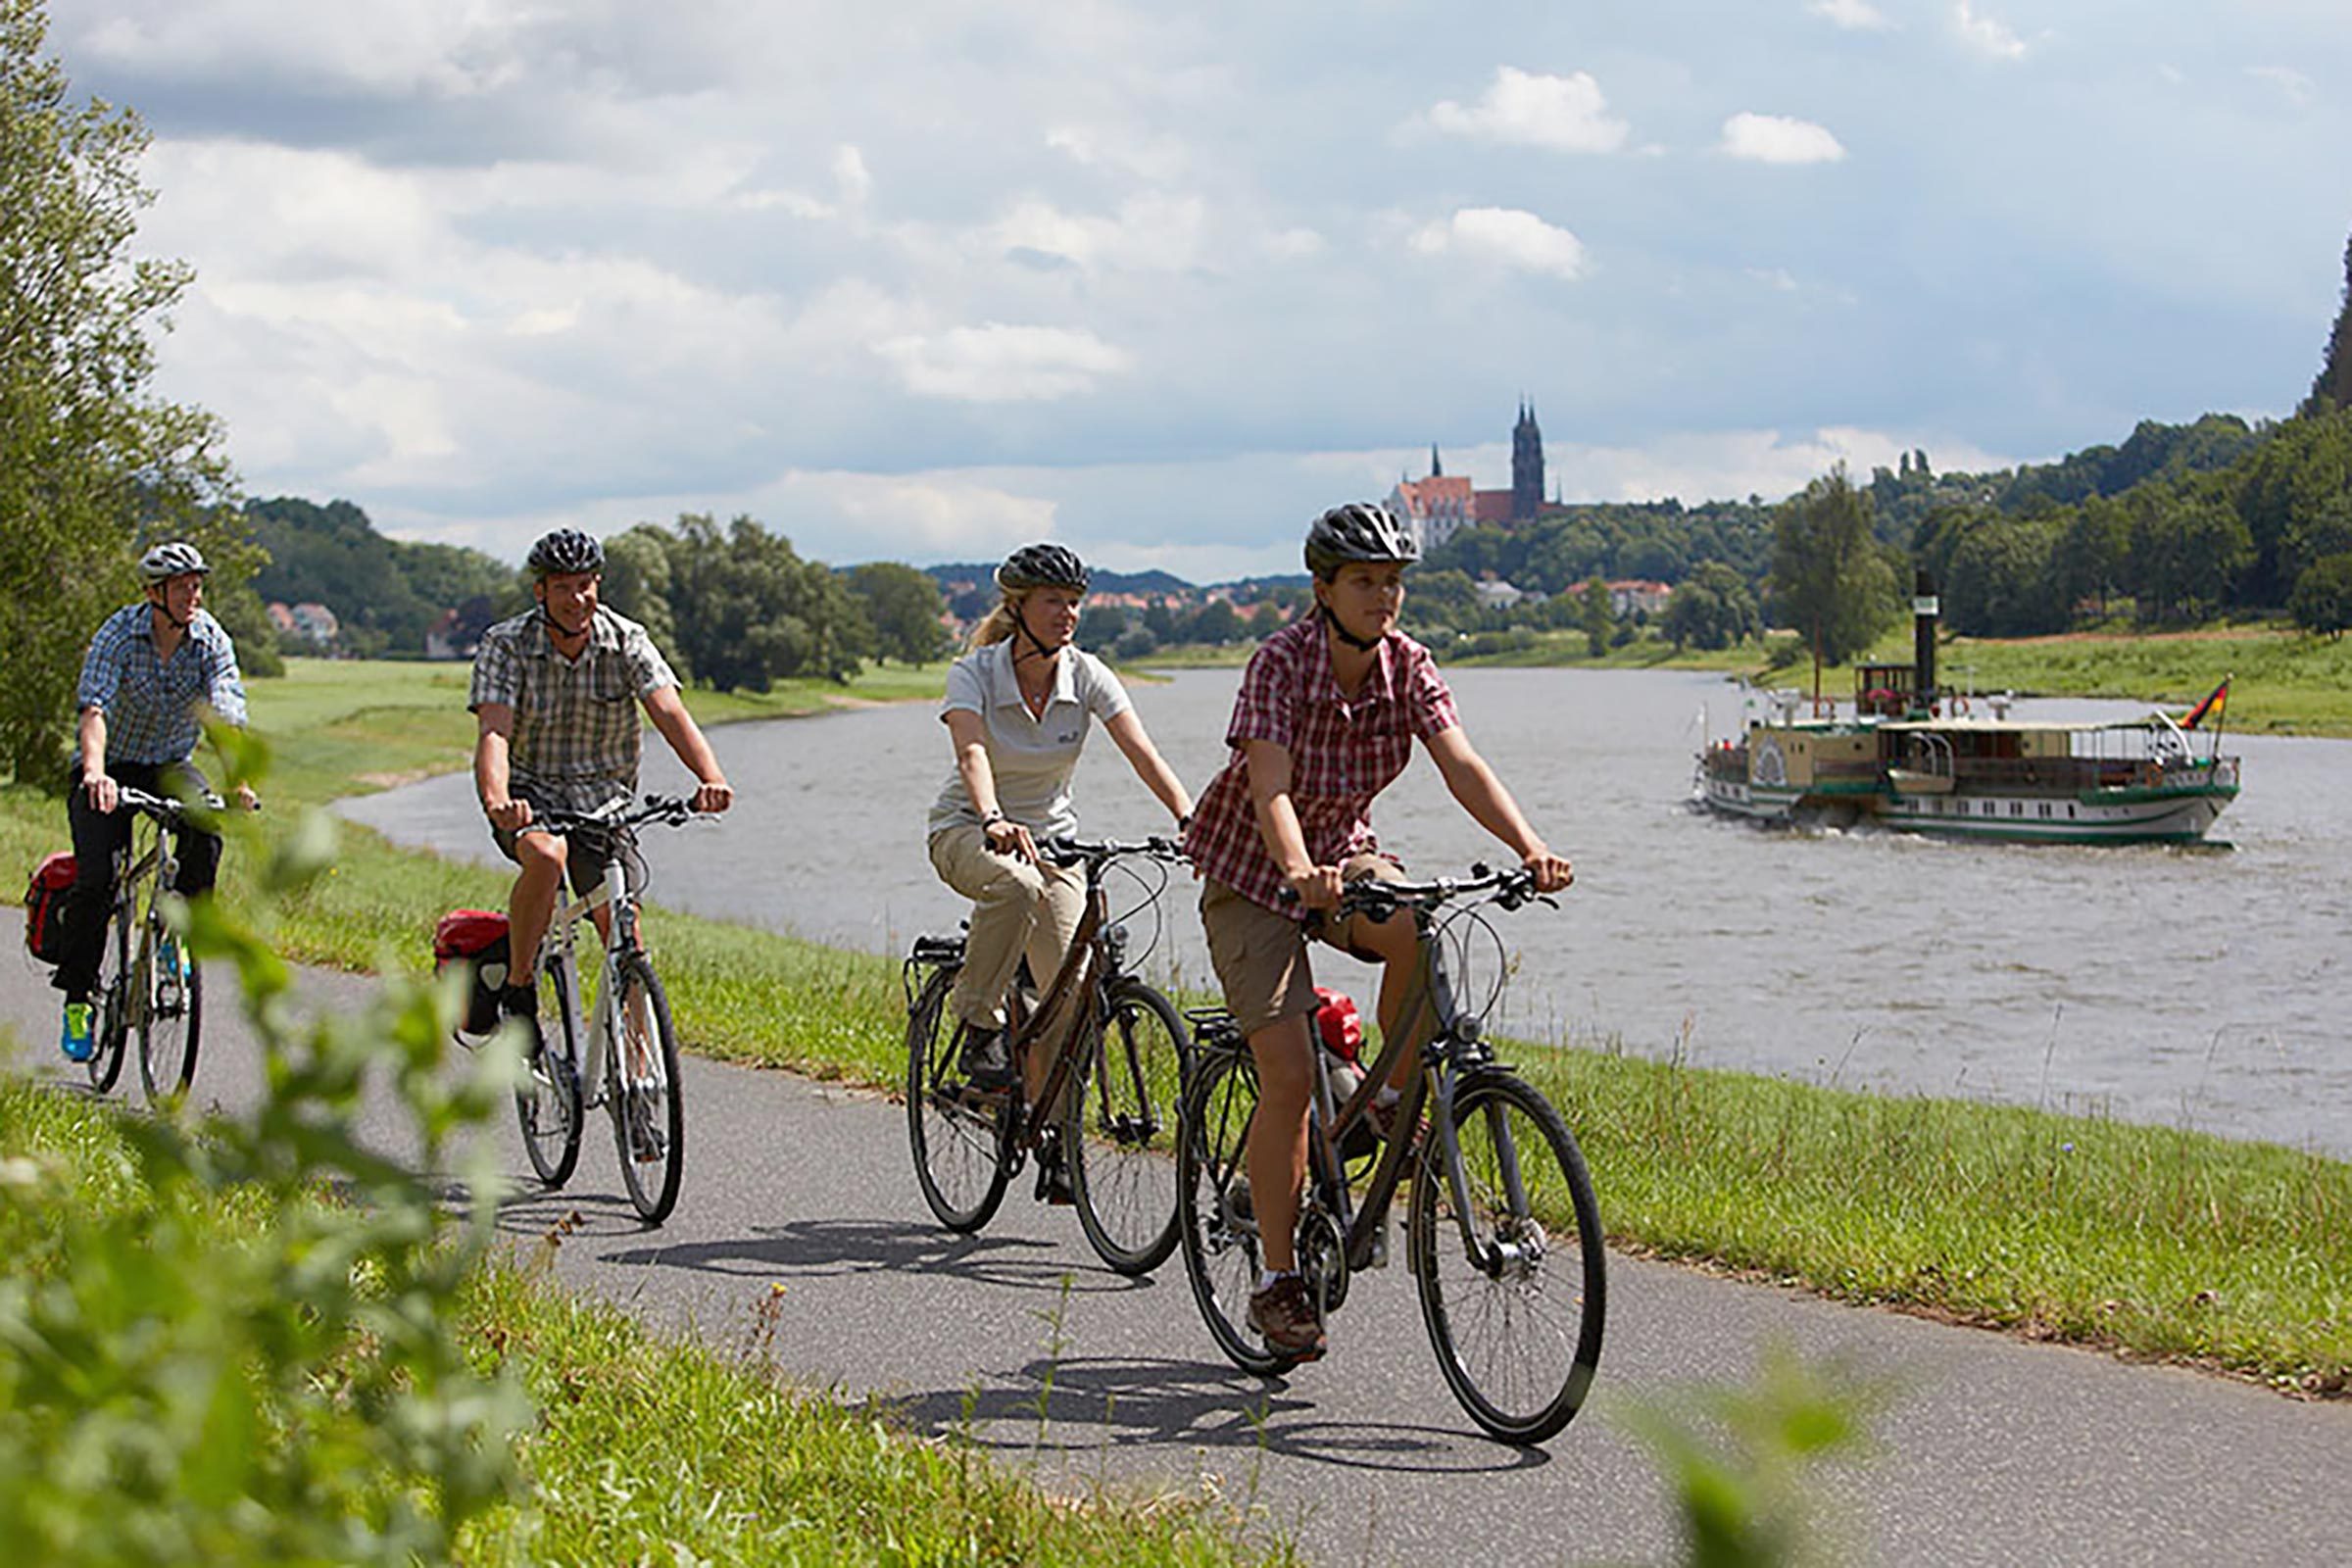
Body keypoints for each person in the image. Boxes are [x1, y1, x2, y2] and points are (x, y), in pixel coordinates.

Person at [1181, 502, 1575, 1358]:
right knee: (1284, 1072)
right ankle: (1280, 1282)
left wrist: (1530, 846)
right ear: (1322, 589)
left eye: (1393, 582)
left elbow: (1461, 762)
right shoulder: (1279, 663)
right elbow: (1270, 787)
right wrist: (1294, 869)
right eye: (1364, 582)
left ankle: (1383, 1103)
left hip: (1345, 856)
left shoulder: (1409, 666)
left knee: (1419, 931)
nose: (1383, 598)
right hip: (1254, 873)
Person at [925, 542, 1192, 1202]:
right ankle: (980, 1027)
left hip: (1052, 844)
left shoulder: (1088, 675)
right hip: (968, 830)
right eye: (1053, 601)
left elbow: (1143, 752)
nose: (1067, 614)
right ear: (1017, 608)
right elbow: (972, 753)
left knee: (1072, 993)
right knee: (1013, 885)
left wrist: (1191, 817)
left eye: (1074, 602)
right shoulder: (976, 674)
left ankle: (1052, 1135)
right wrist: (991, 817)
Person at [468, 527, 733, 1054]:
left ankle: (639, 1065)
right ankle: (520, 987)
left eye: (586, 585)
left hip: (604, 804)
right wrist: (499, 801)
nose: (578, 599)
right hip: (531, 795)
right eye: (564, 587)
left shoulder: (626, 639)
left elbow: (668, 711)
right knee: (545, 856)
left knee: (623, 930)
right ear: (541, 591)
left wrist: (711, 777)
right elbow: (494, 731)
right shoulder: (506, 644)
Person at [55, 541, 260, 1060]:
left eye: (197, 585)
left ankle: (174, 939)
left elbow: (225, 715)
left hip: (168, 762)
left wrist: (236, 781)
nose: (193, 594)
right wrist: (96, 774)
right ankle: (78, 998)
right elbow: (94, 708)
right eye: (182, 586)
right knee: (96, 881)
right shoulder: (120, 635)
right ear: (154, 593)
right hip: (110, 763)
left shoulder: (209, 639)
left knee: (206, 830)